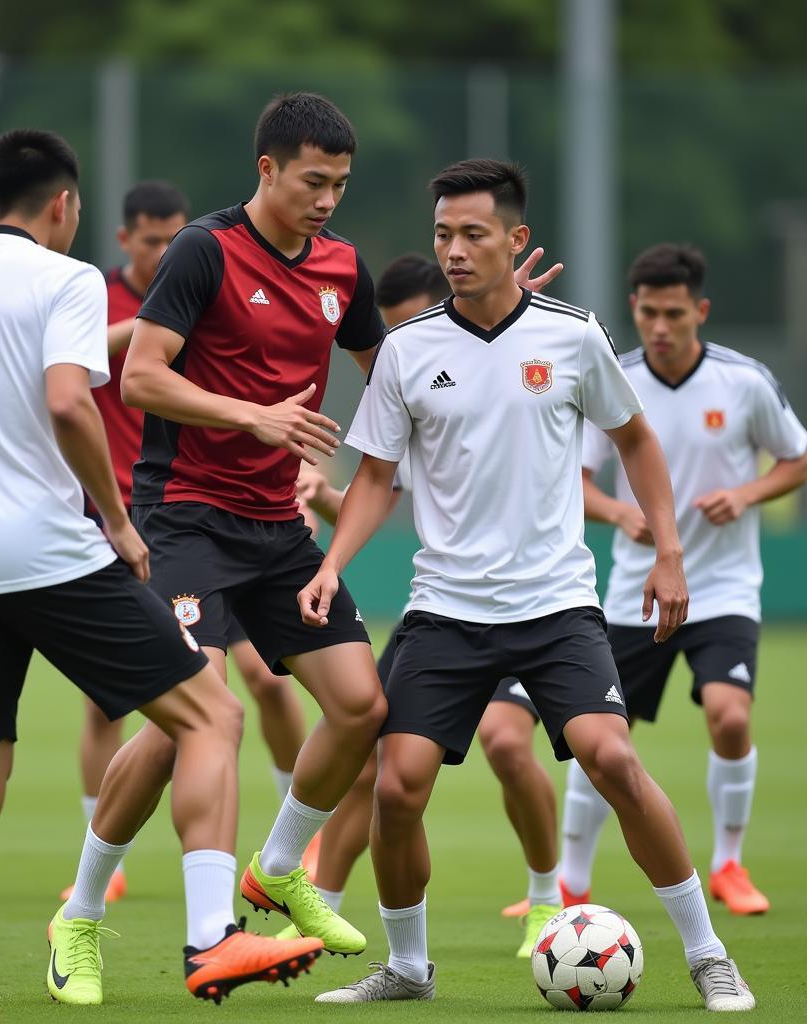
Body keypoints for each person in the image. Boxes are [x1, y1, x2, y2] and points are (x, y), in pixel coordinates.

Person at [0, 129, 321, 1024]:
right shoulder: (70, 278)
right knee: (212, 715)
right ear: (64, 206)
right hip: (52, 554)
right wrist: (118, 520)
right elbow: (66, 399)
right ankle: (211, 937)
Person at [305, 159, 754, 1011]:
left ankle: (707, 955)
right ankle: (407, 969)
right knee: (397, 786)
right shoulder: (407, 350)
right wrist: (333, 564)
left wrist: (668, 552)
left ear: (515, 240)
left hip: (555, 608)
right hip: (443, 611)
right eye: (443, 235)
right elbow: (372, 479)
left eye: (474, 234)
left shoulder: (573, 334)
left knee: (613, 758)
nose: (456, 251)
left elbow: (637, 443)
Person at [52, 93, 391, 994]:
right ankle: (82, 916)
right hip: (187, 518)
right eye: (313, 182)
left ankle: (278, 869)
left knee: (361, 707)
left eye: (342, 186)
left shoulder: (343, 268)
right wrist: (255, 418)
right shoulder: (204, 249)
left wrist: (498, 315)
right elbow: (140, 377)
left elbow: (386, 370)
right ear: (267, 170)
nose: (327, 200)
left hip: (279, 527)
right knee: (196, 725)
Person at [289, 251, 566, 959]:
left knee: (507, 744)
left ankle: (545, 899)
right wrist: (319, 500)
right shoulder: (411, 374)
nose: (398, 349)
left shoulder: (513, 348)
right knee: (370, 767)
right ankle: (319, 914)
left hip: (531, 596)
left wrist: (512, 321)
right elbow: (386, 485)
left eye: (411, 327)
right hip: (446, 603)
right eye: (388, 336)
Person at [62, 179, 314, 902]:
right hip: (125, 514)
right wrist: (156, 320)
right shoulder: (97, 300)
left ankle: (290, 841)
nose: (167, 252)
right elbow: (84, 372)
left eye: (177, 238)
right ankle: (102, 875)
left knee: (263, 684)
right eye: (152, 242)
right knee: (133, 704)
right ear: (125, 241)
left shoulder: (214, 280)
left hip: (221, 516)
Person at [561, 243, 807, 915]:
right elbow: (575, 484)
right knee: (602, 738)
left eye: (673, 314)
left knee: (730, 715)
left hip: (723, 587)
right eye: (647, 314)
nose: (660, 328)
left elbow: (797, 457)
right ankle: (569, 884)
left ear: (699, 310)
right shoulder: (614, 380)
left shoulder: (744, 381)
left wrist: (748, 495)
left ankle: (729, 862)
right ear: (634, 311)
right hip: (634, 595)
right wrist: (620, 513)